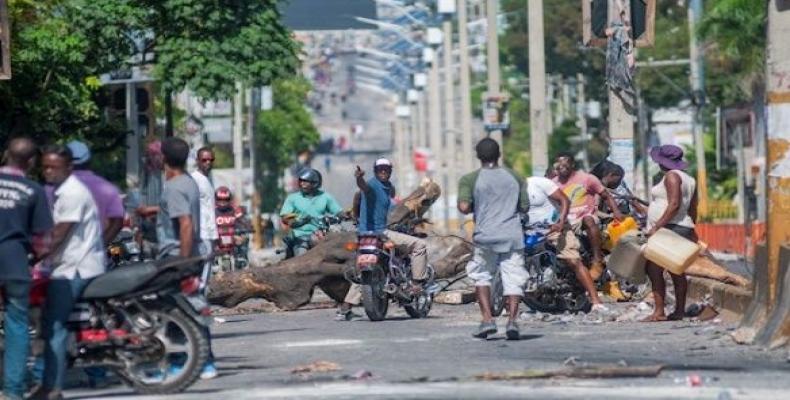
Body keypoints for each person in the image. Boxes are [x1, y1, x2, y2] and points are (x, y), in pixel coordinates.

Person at [136, 138, 217, 379]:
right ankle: (202, 361)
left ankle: (182, 362)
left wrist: (182, 261)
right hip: (186, 253)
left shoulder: (175, 186)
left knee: (174, 309)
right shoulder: (187, 182)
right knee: (189, 307)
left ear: (163, 159)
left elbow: (185, 223)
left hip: (176, 256)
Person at [33, 145, 105, 400]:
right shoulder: (63, 191)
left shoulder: (73, 193)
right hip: (73, 263)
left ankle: (51, 387)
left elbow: (60, 234)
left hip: (76, 268)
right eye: (46, 167)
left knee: (55, 326)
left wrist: (34, 256)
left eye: (54, 167)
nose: (49, 172)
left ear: (69, 168)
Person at [458, 138, 529, 340]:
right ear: (499, 155)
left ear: (478, 156)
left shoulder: (470, 179)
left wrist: (476, 205)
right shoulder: (515, 177)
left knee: (481, 275)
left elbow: (464, 207)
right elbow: (524, 207)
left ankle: (488, 320)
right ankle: (512, 322)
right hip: (512, 235)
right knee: (514, 277)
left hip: (485, 236)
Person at [0, 138, 53, 400]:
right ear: (31, 162)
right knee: (17, 325)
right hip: (15, 264)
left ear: (5, 154)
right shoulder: (34, 190)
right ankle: (12, 390)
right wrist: (33, 260)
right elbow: (43, 242)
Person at [349, 158, 428, 320]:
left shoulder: (388, 188)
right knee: (419, 244)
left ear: (390, 171)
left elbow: (388, 203)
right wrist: (359, 178)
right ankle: (417, 284)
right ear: (375, 171)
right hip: (379, 232)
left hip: (364, 234)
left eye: (386, 169)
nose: (383, 172)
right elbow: (363, 187)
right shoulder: (371, 185)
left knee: (365, 268)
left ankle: (346, 305)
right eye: (380, 169)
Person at [525, 174, 606, 311]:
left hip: (555, 228)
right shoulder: (507, 193)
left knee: (573, 260)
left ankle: (596, 301)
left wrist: (561, 221)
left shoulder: (538, 183)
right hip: (530, 231)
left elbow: (564, 200)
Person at [643, 145, 698, 322]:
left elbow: (673, 204)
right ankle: (679, 310)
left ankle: (659, 311)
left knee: (654, 269)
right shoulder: (689, 179)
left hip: (670, 228)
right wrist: (692, 227)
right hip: (682, 226)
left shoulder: (671, 176)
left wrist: (656, 227)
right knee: (676, 270)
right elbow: (693, 207)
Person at [552, 153, 624, 281]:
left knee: (588, 219)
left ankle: (597, 259)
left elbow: (606, 196)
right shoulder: (553, 183)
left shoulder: (587, 179)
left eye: (565, 163)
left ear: (572, 164)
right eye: (559, 164)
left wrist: (616, 212)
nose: (562, 166)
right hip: (564, 221)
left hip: (583, 218)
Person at [280, 168, 343, 258]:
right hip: (300, 236)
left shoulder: (325, 197)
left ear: (314, 183)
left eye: (305, 181)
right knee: (302, 256)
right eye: (301, 181)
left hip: (321, 235)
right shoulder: (292, 198)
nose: (302, 183)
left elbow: (338, 211)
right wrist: (296, 222)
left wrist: (344, 215)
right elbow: (285, 216)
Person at [190, 147, 219, 257]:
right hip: (201, 233)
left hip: (210, 231)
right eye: (204, 160)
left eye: (211, 160)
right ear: (197, 161)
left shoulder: (209, 179)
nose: (208, 163)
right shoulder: (194, 179)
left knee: (208, 268)